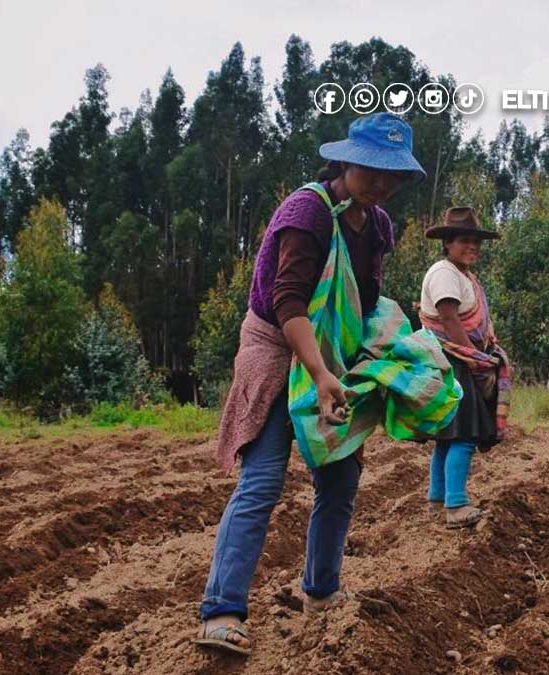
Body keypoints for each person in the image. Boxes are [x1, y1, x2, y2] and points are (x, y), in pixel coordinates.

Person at [194, 113, 430, 656]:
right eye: (374, 169)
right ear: (347, 160)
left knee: (341, 478)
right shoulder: (308, 212)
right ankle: (221, 611)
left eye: (394, 174)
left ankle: (321, 593)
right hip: (279, 350)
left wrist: (395, 367)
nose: (383, 183)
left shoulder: (377, 226)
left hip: (333, 357)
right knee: (263, 480)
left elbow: (363, 304)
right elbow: (289, 302)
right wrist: (320, 375)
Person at [419, 206, 510, 529]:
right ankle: (455, 504)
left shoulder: (462, 275)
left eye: (476, 241)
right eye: (464, 241)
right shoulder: (444, 273)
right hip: (455, 361)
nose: (472, 247)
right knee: (464, 434)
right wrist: (476, 360)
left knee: (449, 435)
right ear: (448, 243)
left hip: (454, 360)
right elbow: (449, 318)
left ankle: (437, 498)